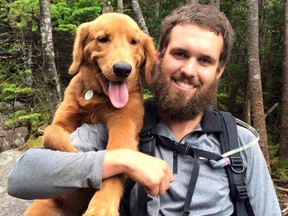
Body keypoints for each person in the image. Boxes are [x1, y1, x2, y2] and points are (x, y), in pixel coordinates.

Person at [7, 3, 281, 216]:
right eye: (180, 54)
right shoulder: (118, 120)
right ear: (157, 58)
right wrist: (121, 160)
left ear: (218, 71)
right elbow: (22, 177)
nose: (188, 70)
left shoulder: (240, 143)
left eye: (205, 61)